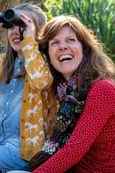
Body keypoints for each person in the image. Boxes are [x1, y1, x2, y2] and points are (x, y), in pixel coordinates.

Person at [0, 3, 58, 172]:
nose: (15, 32)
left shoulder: (45, 63)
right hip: (1, 148)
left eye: (22, 26)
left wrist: (29, 43)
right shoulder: (3, 63)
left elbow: (40, 82)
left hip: (27, 154)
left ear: (36, 32)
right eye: (11, 27)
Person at [29, 15, 115, 173]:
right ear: (47, 56)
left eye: (70, 40)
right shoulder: (65, 93)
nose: (63, 46)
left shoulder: (102, 90)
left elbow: (72, 151)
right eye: (55, 43)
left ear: (85, 49)